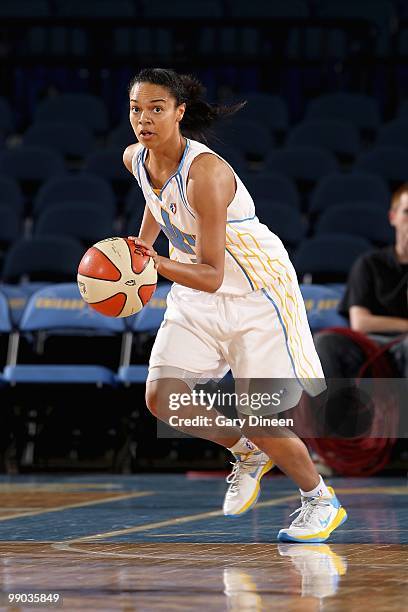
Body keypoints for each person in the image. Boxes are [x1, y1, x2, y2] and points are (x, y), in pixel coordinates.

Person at [123, 68, 347, 543]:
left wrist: (154, 264)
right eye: (136, 109)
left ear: (179, 112)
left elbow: (212, 273)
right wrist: (134, 260)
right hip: (195, 292)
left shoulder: (207, 173)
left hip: (256, 296)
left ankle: (320, 500)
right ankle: (245, 452)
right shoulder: (135, 158)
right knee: (162, 397)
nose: (144, 119)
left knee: (262, 419)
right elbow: (154, 200)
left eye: (156, 109)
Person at [315, 183, 408, 379]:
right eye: (407, 212)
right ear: (393, 217)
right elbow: (361, 323)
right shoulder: (370, 264)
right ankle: (333, 408)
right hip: (373, 346)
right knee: (326, 342)